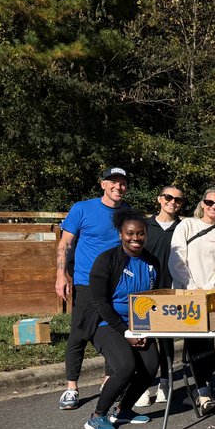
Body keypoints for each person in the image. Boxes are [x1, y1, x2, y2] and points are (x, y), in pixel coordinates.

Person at [55, 166, 129, 411]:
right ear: (103, 184)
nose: (118, 186)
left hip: (118, 285)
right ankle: (71, 388)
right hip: (86, 282)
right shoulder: (82, 208)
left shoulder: (128, 212)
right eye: (113, 182)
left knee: (116, 330)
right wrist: (60, 275)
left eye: (122, 183)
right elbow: (65, 243)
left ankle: (109, 381)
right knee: (79, 333)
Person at [82, 212, 160, 429]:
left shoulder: (151, 261)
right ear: (120, 235)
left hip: (140, 324)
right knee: (125, 367)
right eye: (130, 233)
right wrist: (126, 332)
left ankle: (124, 410)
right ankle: (97, 416)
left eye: (141, 233)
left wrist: (147, 330)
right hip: (106, 323)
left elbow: (154, 297)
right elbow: (99, 302)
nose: (136, 238)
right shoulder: (106, 260)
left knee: (150, 367)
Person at [168, 189, 215, 415]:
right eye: (210, 202)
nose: (214, 207)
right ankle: (203, 392)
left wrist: (208, 289)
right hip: (187, 294)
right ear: (202, 203)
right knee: (197, 343)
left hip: (213, 295)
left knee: (210, 345)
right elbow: (176, 259)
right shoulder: (186, 226)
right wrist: (191, 287)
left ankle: (207, 387)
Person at [137, 185, 185, 407]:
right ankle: (144, 385)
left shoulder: (184, 227)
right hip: (145, 290)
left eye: (178, 199)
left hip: (171, 289)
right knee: (144, 340)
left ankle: (166, 382)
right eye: (168, 197)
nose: (172, 202)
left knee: (166, 340)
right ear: (159, 199)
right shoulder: (145, 226)